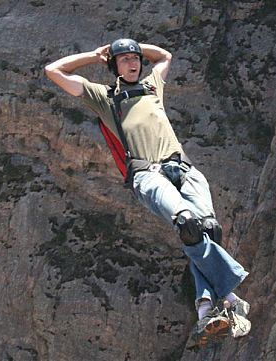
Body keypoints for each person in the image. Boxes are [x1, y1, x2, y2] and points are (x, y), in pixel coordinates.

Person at [45, 38, 251, 346]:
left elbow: (165, 55)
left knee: (209, 229)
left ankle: (208, 307)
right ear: (114, 65)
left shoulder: (153, 85)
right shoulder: (104, 97)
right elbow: (53, 70)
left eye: (135, 59)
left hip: (184, 169)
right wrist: (97, 55)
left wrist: (136, 47)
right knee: (186, 222)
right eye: (124, 60)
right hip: (148, 174)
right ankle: (227, 297)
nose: (132, 63)